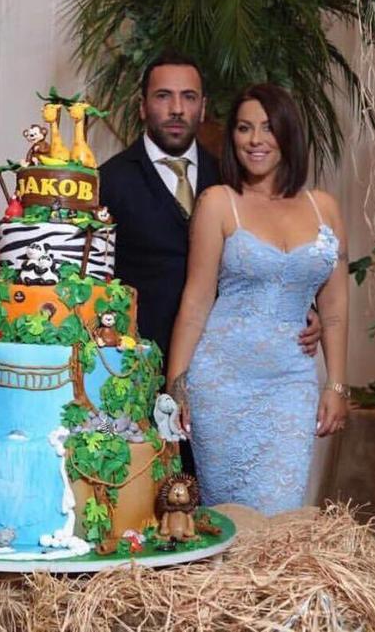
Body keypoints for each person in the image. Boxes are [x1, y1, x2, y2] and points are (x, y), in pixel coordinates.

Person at [99, 52, 322, 475]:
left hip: (227, 375)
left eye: (188, 97)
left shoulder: (234, 177)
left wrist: (301, 309)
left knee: (215, 497)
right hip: (137, 373)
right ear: (142, 106)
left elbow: (272, 250)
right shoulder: (109, 181)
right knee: (146, 497)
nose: (177, 108)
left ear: (203, 108)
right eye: (163, 96)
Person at [165, 83, 349, 515]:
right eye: (244, 128)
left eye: (267, 127)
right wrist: (176, 386)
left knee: (281, 513)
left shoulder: (324, 207)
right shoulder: (218, 202)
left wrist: (338, 385)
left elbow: (336, 308)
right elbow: (195, 301)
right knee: (231, 518)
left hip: (291, 384)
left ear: (288, 134)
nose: (255, 140)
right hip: (221, 384)